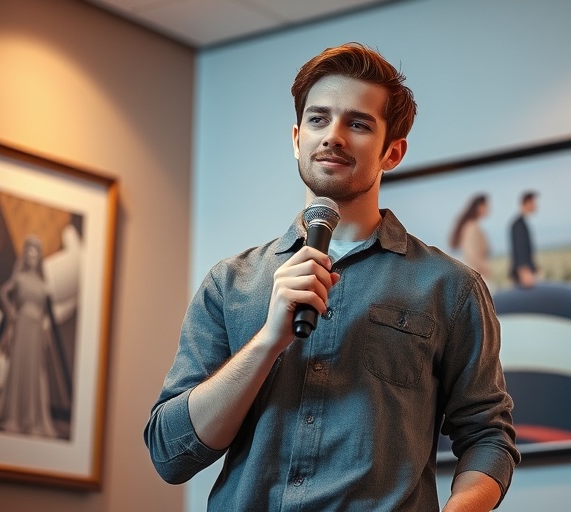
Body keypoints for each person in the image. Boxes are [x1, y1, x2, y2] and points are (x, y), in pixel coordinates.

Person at [144, 43, 519, 511]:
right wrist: (268, 340)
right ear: (296, 137)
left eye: (358, 124)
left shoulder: (450, 288)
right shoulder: (230, 283)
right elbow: (169, 454)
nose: (334, 136)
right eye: (319, 120)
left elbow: (487, 435)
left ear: (393, 152)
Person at [0, 234, 58, 438]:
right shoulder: (20, 278)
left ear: (39, 258)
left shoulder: (43, 283)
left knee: (35, 371)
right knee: (18, 367)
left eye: (36, 255)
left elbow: (45, 313)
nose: (32, 258)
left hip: (36, 329)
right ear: (25, 257)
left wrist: (46, 331)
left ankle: (31, 419)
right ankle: (13, 417)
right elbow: (3, 291)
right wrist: (11, 312)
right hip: (23, 325)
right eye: (30, 254)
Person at [449, 194, 492, 284]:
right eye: (486, 206)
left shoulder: (473, 226)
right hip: (477, 276)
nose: (489, 209)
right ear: (479, 207)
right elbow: (471, 255)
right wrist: (485, 269)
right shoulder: (471, 228)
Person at [509, 191, 538, 288]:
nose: (535, 206)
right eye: (533, 203)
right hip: (524, 274)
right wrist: (525, 272)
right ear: (527, 203)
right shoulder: (519, 225)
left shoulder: (520, 223)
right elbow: (520, 249)